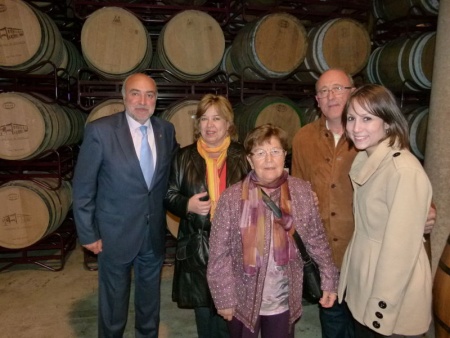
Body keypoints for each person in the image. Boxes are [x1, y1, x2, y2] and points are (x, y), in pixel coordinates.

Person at [291, 68, 436, 338]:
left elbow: (400, 244)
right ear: (316, 100)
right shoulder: (311, 140)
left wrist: (425, 215)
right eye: (323, 91)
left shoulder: (388, 159)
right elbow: (296, 187)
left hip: (378, 277)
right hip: (333, 259)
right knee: (334, 326)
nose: (331, 96)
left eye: (338, 89)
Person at [207, 124, 339, 338]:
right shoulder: (231, 198)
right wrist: (224, 298)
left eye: (275, 151)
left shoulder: (302, 192)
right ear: (250, 160)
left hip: (283, 298)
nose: (269, 159)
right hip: (242, 298)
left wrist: (329, 280)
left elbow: (317, 239)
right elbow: (219, 254)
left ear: (284, 156)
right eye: (260, 153)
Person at [73, 73, 178, 338]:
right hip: (113, 235)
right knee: (113, 306)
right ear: (124, 97)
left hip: (152, 233)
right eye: (136, 93)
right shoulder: (100, 131)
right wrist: (88, 233)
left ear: (157, 99)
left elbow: (166, 180)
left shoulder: (166, 130)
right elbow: (84, 187)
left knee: (149, 303)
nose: (143, 101)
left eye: (150, 95)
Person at [338, 84, 432, 337]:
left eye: (367, 118)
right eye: (351, 118)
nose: (356, 128)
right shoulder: (370, 160)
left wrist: (381, 309)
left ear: (388, 122)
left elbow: (399, 253)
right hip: (365, 286)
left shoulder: (403, 171)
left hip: (391, 298)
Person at [164, 94, 249, 338]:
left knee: (230, 311)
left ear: (228, 124)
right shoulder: (183, 157)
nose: (210, 125)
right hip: (197, 244)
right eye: (204, 119)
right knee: (204, 313)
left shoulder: (242, 156)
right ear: (198, 124)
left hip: (234, 245)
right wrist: (186, 204)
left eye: (217, 118)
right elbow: (168, 194)